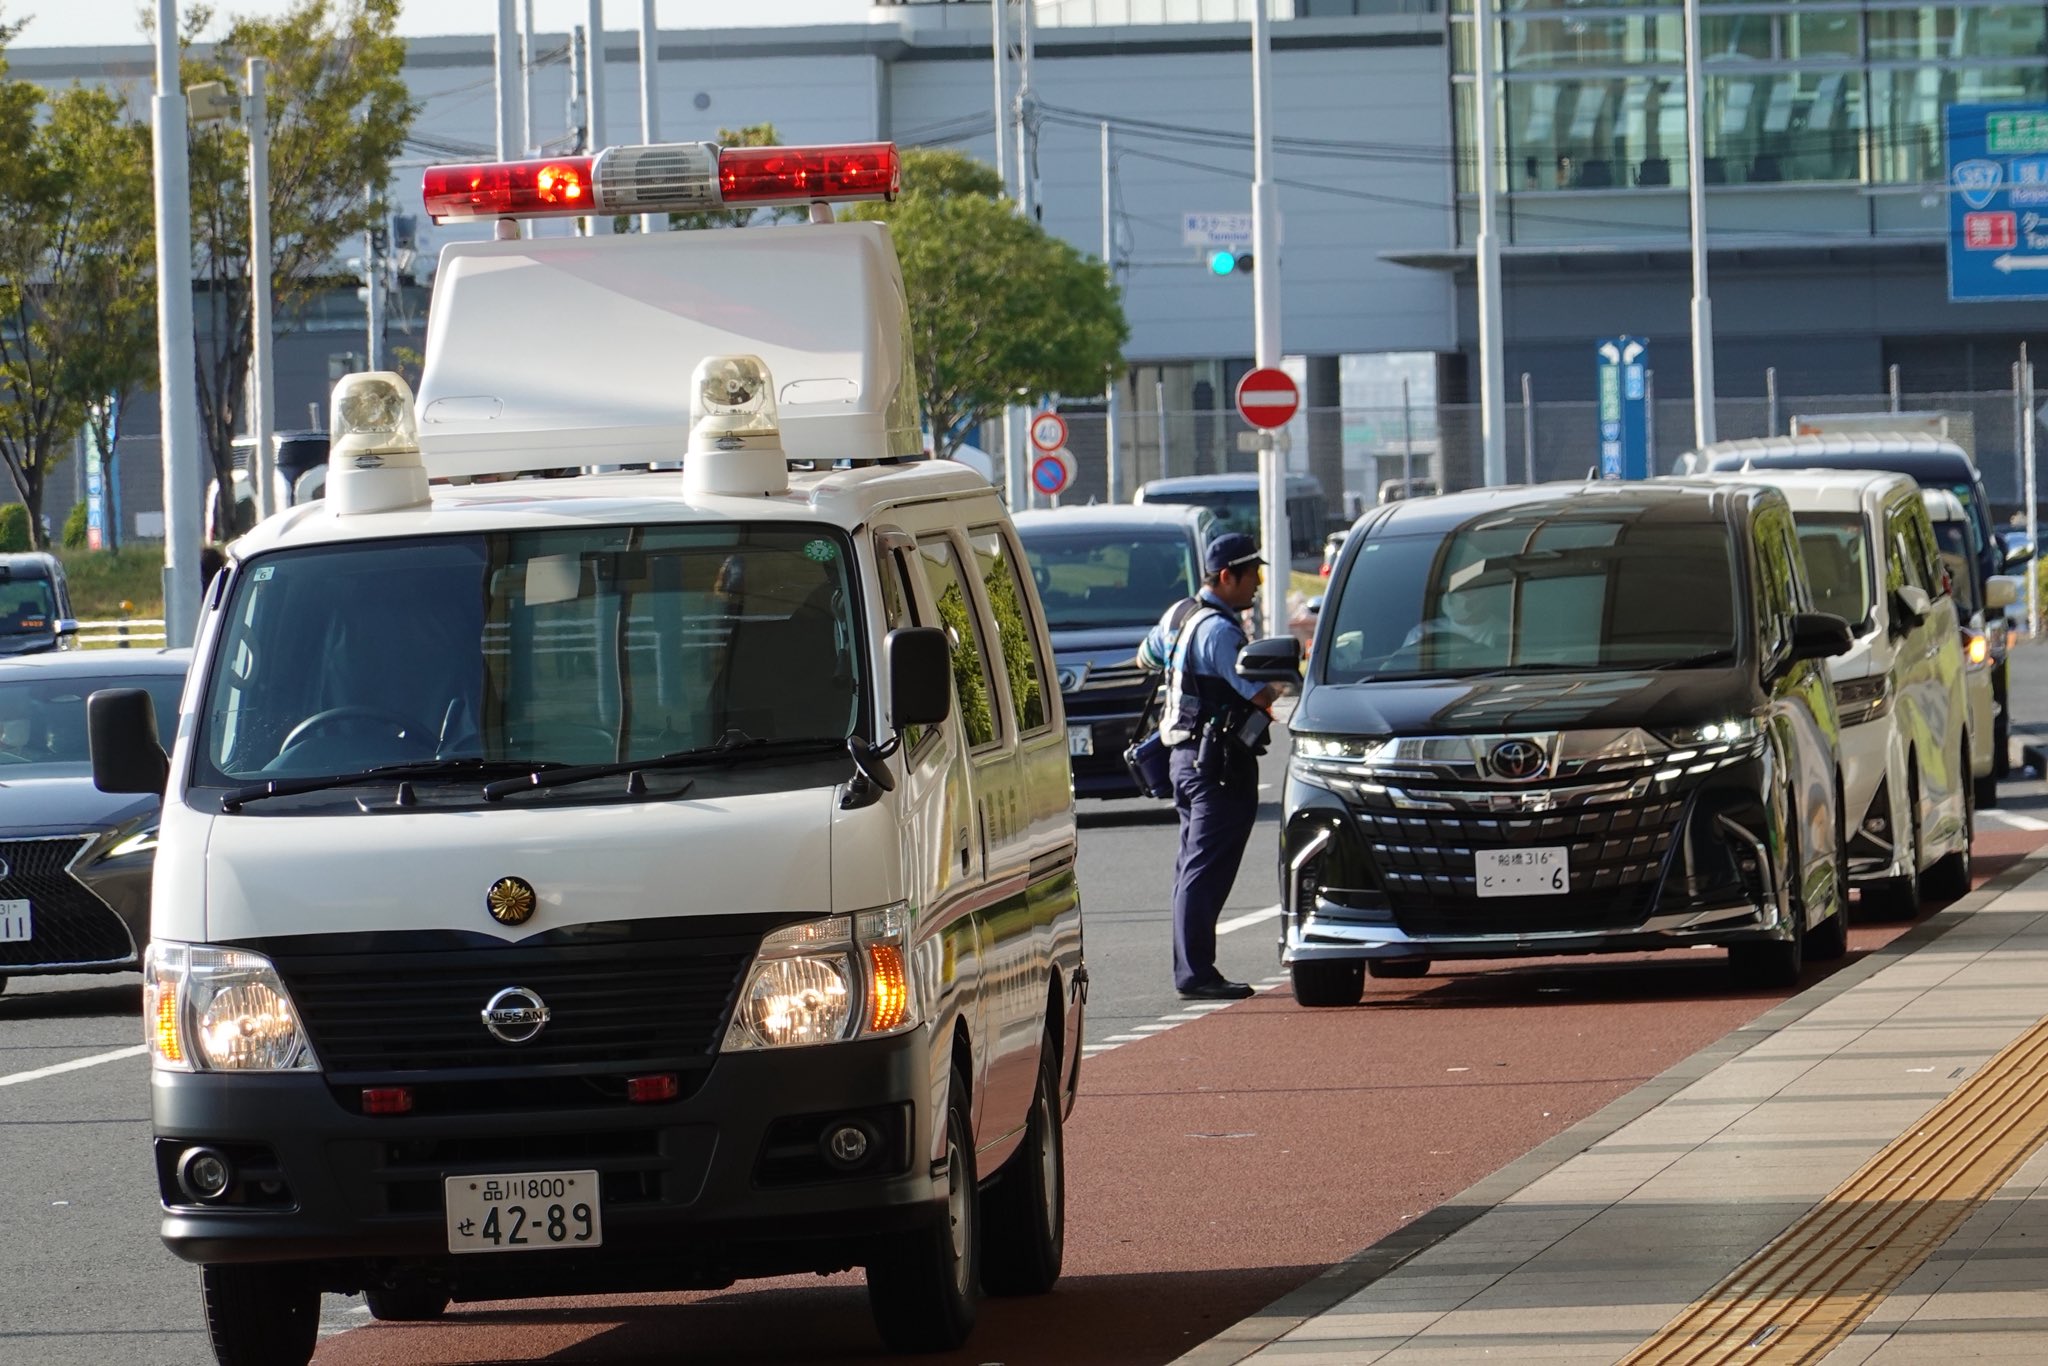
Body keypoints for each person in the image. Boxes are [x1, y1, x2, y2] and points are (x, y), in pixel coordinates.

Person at [1137, 532, 1281, 1001]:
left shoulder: (1178, 614)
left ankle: (1193, 966)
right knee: (1204, 869)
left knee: (1191, 864)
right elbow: (1259, 693)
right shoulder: (1220, 631)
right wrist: (1285, 680)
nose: (1257, 583)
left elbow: (1147, 655)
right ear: (1226, 576)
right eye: (1252, 574)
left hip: (1182, 759)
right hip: (1216, 764)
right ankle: (1196, 972)